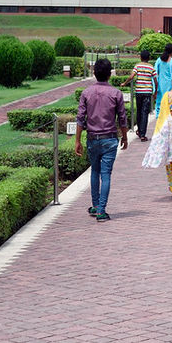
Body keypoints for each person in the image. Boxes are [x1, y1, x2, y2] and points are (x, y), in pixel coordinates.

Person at [75, 59, 128, 222]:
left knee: (95, 172)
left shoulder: (86, 93)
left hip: (92, 138)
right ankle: (101, 210)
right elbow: (123, 118)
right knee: (105, 174)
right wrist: (125, 136)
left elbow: (80, 118)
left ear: (94, 73)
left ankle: (96, 205)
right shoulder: (116, 93)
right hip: (109, 138)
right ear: (109, 74)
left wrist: (77, 140)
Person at [120, 49, 157, 142]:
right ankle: (142, 134)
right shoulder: (151, 67)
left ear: (140, 57)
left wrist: (125, 83)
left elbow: (132, 76)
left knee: (139, 111)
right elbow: (156, 81)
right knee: (145, 113)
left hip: (139, 91)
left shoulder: (137, 66)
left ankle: (140, 131)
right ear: (149, 58)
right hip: (148, 92)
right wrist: (155, 91)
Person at [154, 43, 172, 113]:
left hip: (160, 87)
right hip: (170, 87)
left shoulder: (159, 60)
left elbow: (155, 74)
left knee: (159, 107)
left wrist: (155, 88)